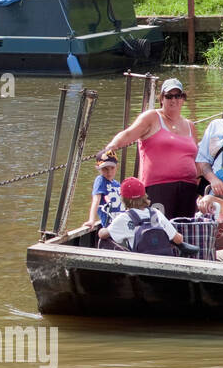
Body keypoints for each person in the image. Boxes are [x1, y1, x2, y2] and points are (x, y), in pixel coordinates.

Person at [100, 77, 200, 218]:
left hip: (188, 188)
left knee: (183, 232)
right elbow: (129, 133)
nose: (173, 100)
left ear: (183, 98)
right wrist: (112, 146)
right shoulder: (152, 117)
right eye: (169, 96)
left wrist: (200, 190)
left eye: (178, 96)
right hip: (158, 187)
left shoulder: (190, 125)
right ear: (161, 99)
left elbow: (197, 160)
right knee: (159, 232)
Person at [98, 177, 192, 253]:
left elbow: (103, 235)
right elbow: (178, 239)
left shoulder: (124, 218)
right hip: (162, 264)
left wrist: (102, 230)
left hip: (139, 267)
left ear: (123, 199)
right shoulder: (156, 213)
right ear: (144, 195)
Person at [83, 152, 124, 229]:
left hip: (121, 223)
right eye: (105, 169)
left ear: (117, 167)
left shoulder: (117, 184)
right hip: (110, 226)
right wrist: (92, 220)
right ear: (98, 168)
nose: (109, 172)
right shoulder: (100, 180)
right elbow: (96, 200)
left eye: (112, 168)